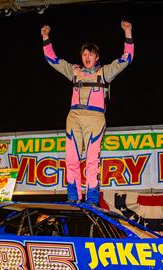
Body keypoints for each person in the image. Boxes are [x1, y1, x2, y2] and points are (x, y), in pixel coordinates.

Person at [41, 20, 134, 205]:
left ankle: (91, 198)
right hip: (74, 116)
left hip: (95, 117)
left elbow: (127, 58)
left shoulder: (104, 72)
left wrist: (128, 32)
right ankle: (73, 197)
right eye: (84, 54)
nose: (87, 56)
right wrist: (45, 37)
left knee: (92, 160)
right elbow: (53, 60)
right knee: (71, 158)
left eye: (91, 54)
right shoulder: (74, 71)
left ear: (97, 57)